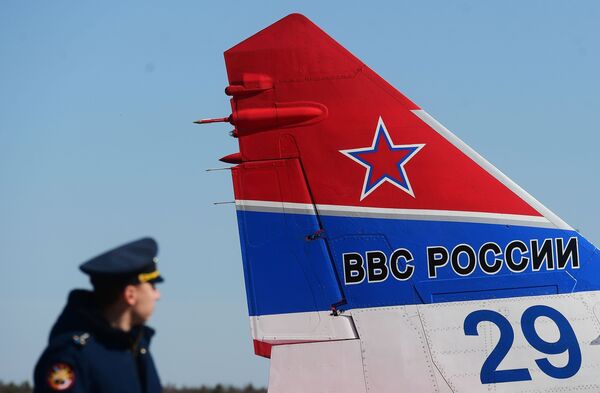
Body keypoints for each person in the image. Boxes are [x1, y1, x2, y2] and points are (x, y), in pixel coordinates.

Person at [33, 237, 163, 393]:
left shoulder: (137, 347)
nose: (157, 295)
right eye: (152, 286)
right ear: (130, 295)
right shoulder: (71, 355)